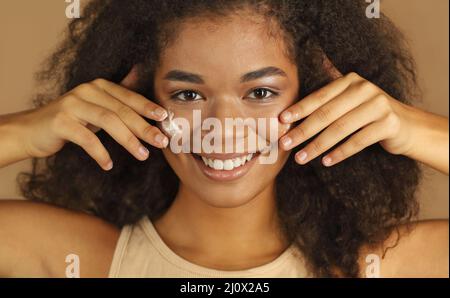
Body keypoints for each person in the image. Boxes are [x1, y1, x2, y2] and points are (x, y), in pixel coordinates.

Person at [0, 0, 448, 277]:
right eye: (189, 93)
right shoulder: (82, 260)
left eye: (260, 92)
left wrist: (410, 128)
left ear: (316, 94)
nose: (225, 126)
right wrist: (24, 132)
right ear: (137, 98)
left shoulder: (374, 266)